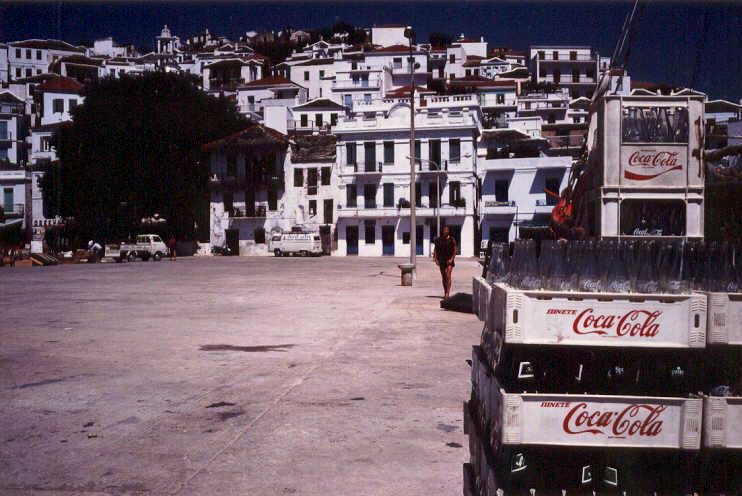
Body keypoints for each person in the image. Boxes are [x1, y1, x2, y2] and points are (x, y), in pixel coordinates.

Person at [433, 225, 457, 299]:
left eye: (447, 230)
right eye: (444, 230)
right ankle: (445, 291)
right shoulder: (438, 240)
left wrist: (452, 259)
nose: (446, 231)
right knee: (444, 277)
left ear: (449, 231)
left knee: (448, 275)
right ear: (442, 231)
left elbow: (455, 250)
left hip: (449, 259)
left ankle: (447, 293)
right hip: (441, 259)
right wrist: (435, 259)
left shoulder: (452, 239)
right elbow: (435, 250)